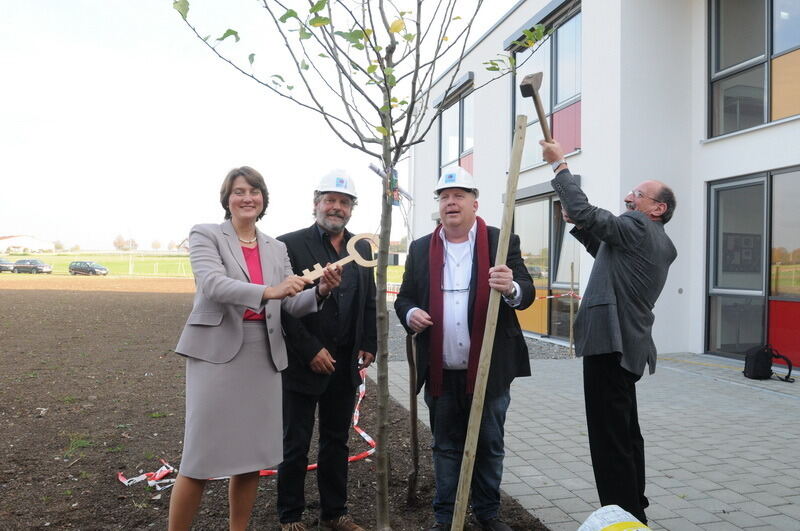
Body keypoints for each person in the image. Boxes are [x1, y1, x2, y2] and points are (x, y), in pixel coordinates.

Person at [168, 166, 341, 531]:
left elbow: (290, 305)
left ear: (263, 200)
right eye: (239, 191)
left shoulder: (275, 247)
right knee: (198, 459)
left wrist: (320, 291)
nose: (247, 198)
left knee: (250, 458)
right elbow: (214, 284)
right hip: (216, 354)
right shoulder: (206, 234)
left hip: (263, 356)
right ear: (226, 199)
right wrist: (269, 291)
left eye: (254, 191)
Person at [540, 139, 677, 525]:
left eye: (638, 194)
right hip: (628, 349)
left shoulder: (637, 225)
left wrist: (559, 166)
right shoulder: (658, 242)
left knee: (608, 438)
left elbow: (586, 210)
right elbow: (607, 252)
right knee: (626, 434)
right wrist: (580, 226)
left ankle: (622, 516)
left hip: (609, 341)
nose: (628, 198)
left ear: (657, 208)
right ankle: (634, 507)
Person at [394, 167, 534, 531]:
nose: (450, 202)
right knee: (445, 447)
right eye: (444, 196)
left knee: (489, 443)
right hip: (441, 371)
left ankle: (487, 514)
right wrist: (410, 313)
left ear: (475, 202)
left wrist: (511, 287)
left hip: (490, 370)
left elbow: (526, 292)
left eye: (458, 195)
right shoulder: (421, 247)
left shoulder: (500, 241)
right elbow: (405, 296)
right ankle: (446, 517)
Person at [276, 170, 377, 531]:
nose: (336, 207)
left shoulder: (361, 248)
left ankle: (334, 513)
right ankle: (290, 516)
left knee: (337, 442)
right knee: (296, 443)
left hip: (345, 362)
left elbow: (368, 298)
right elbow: (280, 309)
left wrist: (370, 340)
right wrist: (310, 350)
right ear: (316, 203)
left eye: (344, 202)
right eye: (330, 200)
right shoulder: (286, 245)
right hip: (303, 363)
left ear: (351, 209)